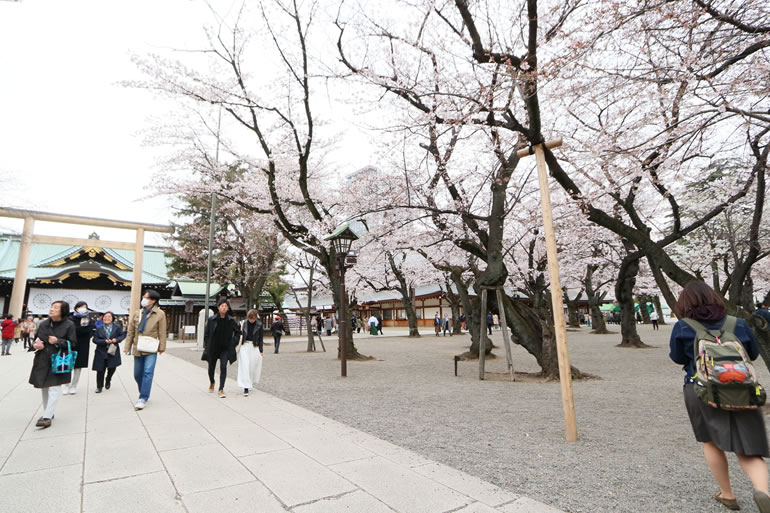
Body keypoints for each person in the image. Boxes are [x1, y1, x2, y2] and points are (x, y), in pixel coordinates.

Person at [669, 281, 770, 512]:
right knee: (749, 447)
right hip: (743, 390)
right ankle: (763, 491)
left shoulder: (683, 327)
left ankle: (728, 495)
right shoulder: (739, 324)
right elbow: (752, 354)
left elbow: (677, 357)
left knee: (712, 442)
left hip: (702, 390)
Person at [29, 301, 77, 429]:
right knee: (44, 386)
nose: (52, 309)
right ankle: (48, 412)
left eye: (56, 307)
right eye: (51, 307)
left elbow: (72, 343)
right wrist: (35, 345)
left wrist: (58, 341)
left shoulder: (69, 325)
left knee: (54, 388)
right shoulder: (44, 323)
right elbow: (36, 340)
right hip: (43, 359)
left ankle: (47, 417)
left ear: (63, 311)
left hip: (59, 360)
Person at [124, 289, 167, 410]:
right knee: (137, 374)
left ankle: (143, 397)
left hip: (151, 347)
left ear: (153, 300)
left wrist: (162, 347)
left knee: (148, 372)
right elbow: (131, 331)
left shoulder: (160, 314)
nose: (144, 299)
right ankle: (143, 390)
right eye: (144, 297)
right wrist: (127, 346)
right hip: (137, 347)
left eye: (146, 297)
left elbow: (162, 332)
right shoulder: (137, 313)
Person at [203, 298, 241, 397]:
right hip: (213, 347)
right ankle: (212, 381)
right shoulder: (212, 320)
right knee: (211, 368)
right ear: (218, 307)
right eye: (222, 306)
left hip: (225, 347)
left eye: (226, 306)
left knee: (223, 367)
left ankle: (221, 388)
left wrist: (233, 342)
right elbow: (206, 334)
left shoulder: (231, 320)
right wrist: (207, 345)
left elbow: (238, 332)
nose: (224, 308)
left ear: (228, 308)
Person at [66, 301, 95, 395]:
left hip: (83, 345)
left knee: (78, 367)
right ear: (76, 308)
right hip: (70, 344)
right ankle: (66, 385)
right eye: (81, 306)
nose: (83, 308)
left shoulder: (89, 319)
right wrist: (81, 330)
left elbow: (89, 330)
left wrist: (79, 330)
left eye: (85, 307)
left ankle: (74, 386)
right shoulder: (69, 318)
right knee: (68, 365)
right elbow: (69, 330)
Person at [92, 311, 124, 393]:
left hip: (113, 351)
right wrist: (104, 341)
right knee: (100, 369)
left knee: (112, 368)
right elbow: (95, 339)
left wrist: (116, 340)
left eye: (109, 317)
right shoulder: (99, 328)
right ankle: (99, 386)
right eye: (105, 317)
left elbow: (122, 335)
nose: (107, 318)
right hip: (101, 351)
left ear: (113, 318)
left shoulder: (117, 327)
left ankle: (108, 379)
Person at [237, 309, 263, 397]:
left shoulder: (259, 325)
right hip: (244, 346)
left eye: (253, 318)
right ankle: (246, 387)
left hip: (254, 346)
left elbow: (261, 339)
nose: (252, 320)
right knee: (245, 366)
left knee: (252, 366)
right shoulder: (243, 324)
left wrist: (261, 350)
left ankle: (249, 383)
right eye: (250, 318)